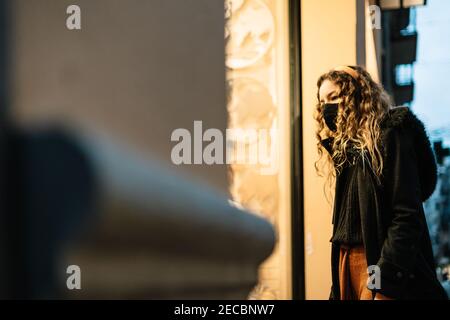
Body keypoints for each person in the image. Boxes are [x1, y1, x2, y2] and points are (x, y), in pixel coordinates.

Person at [315, 65, 448, 300]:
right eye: (323, 101)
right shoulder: (347, 153)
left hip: (375, 263)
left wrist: (384, 286)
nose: (327, 107)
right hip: (347, 264)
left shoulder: (390, 136)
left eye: (334, 97)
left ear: (358, 94)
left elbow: (406, 216)